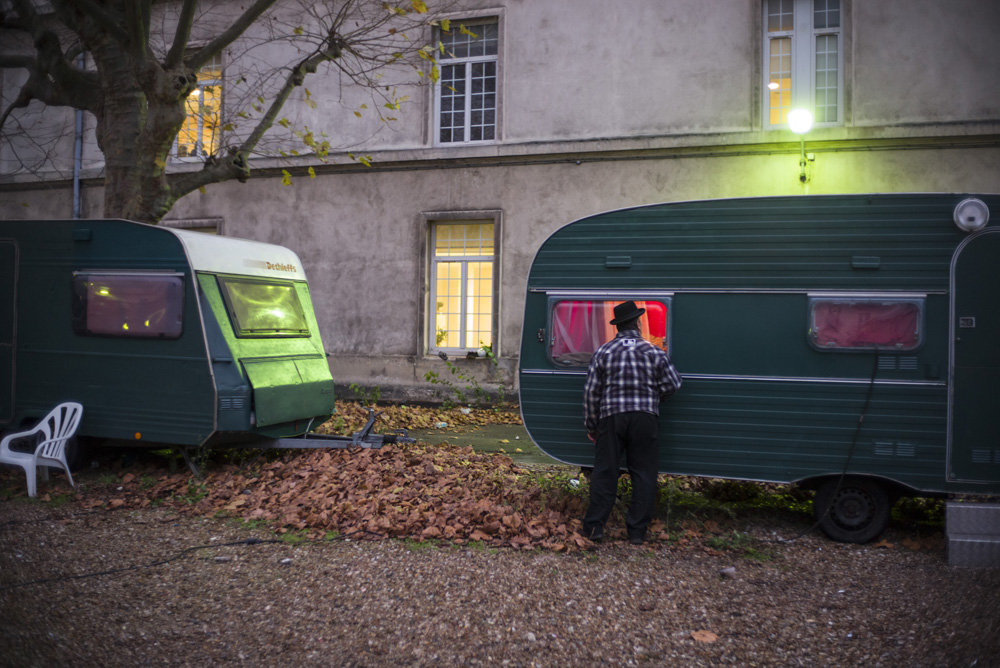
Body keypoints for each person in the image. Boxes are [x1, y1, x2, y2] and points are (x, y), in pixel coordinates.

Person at [581, 300, 682, 545]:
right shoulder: (654, 352)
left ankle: (594, 528)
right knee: (643, 473)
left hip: (611, 418)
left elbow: (591, 393)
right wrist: (652, 399)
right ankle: (637, 532)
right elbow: (674, 384)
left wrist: (592, 426)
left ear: (617, 327)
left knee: (605, 472)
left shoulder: (604, 352)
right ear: (637, 323)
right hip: (645, 418)